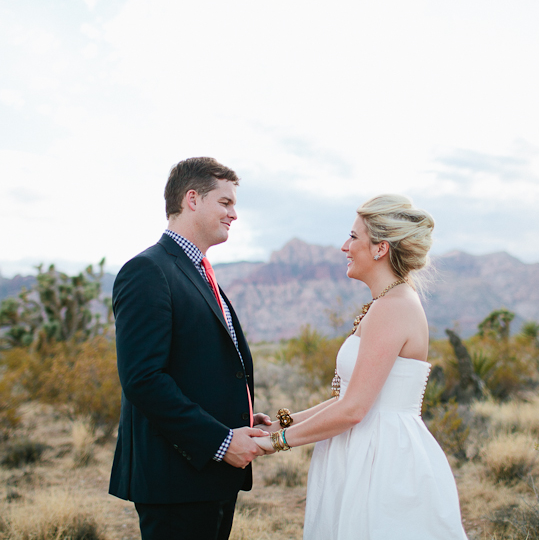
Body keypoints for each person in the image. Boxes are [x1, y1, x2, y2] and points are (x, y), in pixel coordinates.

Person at [256, 195, 469, 540]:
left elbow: (354, 409)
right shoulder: (385, 304)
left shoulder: (394, 307)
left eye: (354, 237)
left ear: (380, 248)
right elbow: (349, 400)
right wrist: (281, 424)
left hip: (383, 460)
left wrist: (274, 444)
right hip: (363, 449)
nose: (344, 246)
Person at [109, 157, 272, 540]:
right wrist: (220, 440)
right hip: (174, 480)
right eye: (226, 202)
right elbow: (143, 379)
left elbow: (199, 366)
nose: (234, 214)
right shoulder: (148, 270)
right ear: (193, 199)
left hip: (210, 475)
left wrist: (242, 416)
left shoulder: (198, 270)